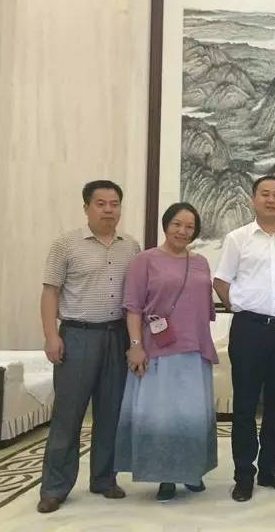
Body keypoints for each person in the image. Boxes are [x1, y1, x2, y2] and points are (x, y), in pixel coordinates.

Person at [37, 180, 140, 514]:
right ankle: (54, 487)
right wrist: (51, 336)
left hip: (116, 336)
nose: (109, 210)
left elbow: (135, 298)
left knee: (111, 412)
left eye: (114, 204)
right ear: (86, 208)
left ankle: (104, 479)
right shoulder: (65, 244)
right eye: (101, 203)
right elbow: (50, 292)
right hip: (77, 335)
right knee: (68, 415)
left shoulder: (131, 246)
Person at [213, 175, 275, 502]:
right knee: (244, 404)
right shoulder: (238, 238)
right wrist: (241, 305)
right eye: (265, 194)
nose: (271, 200)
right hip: (249, 329)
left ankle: (271, 469)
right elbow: (221, 281)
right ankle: (244, 474)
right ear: (254, 200)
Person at [115, 202, 218, 502]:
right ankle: (166, 476)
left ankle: (192, 471)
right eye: (177, 224)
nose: (183, 231)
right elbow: (133, 308)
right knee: (163, 416)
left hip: (195, 350)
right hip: (159, 350)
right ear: (165, 225)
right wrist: (135, 346)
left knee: (192, 415)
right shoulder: (144, 260)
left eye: (189, 227)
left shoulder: (200, 262)